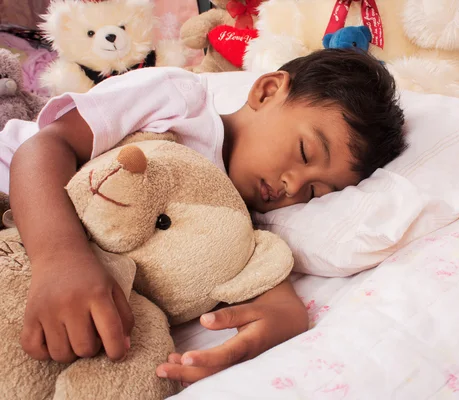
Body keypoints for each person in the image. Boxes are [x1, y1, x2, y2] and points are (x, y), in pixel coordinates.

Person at [2, 48, 407, 386]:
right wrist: (59, 257)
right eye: (304, 153)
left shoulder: (240, 213)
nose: (292, 186)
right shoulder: (178, 101)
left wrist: (281, 319)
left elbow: (256, 271)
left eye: (316, 190)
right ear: (267, 91)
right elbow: (44, 147)